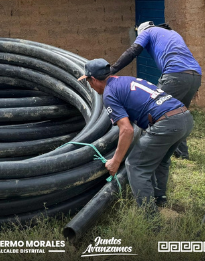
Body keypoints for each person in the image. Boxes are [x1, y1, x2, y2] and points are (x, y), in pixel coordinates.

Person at [78, 58, 193, 211]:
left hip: (166, 124)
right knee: (161, 160)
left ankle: (150, 219)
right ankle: (160, 200)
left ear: (93, 79)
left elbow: (126, 130)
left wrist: (115, 161)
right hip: (184, 117)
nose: (90, 86)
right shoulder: (124, 80)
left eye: (88, 81)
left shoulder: (109, 93)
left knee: (135, 166)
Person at [108, 21, 201, 159]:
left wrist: (111, 70)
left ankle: (146, 153)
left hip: (175, 75)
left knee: (152, 111)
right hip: (195, 76)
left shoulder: (147, 32)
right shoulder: (172, 33)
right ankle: (182, 154)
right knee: (178, 114)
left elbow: (133, 51)